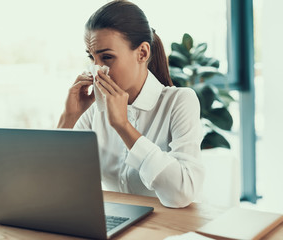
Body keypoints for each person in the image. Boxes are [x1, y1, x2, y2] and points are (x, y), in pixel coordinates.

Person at [57, 0, 204, 208]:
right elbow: (56, 183)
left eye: (107, 57)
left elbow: (181, 193)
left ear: (142, 53)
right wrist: (69, 118)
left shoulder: (179, 101)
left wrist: (123, 126)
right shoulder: (93, 111)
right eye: (92, 58)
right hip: (115, 224)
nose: (97, 69)